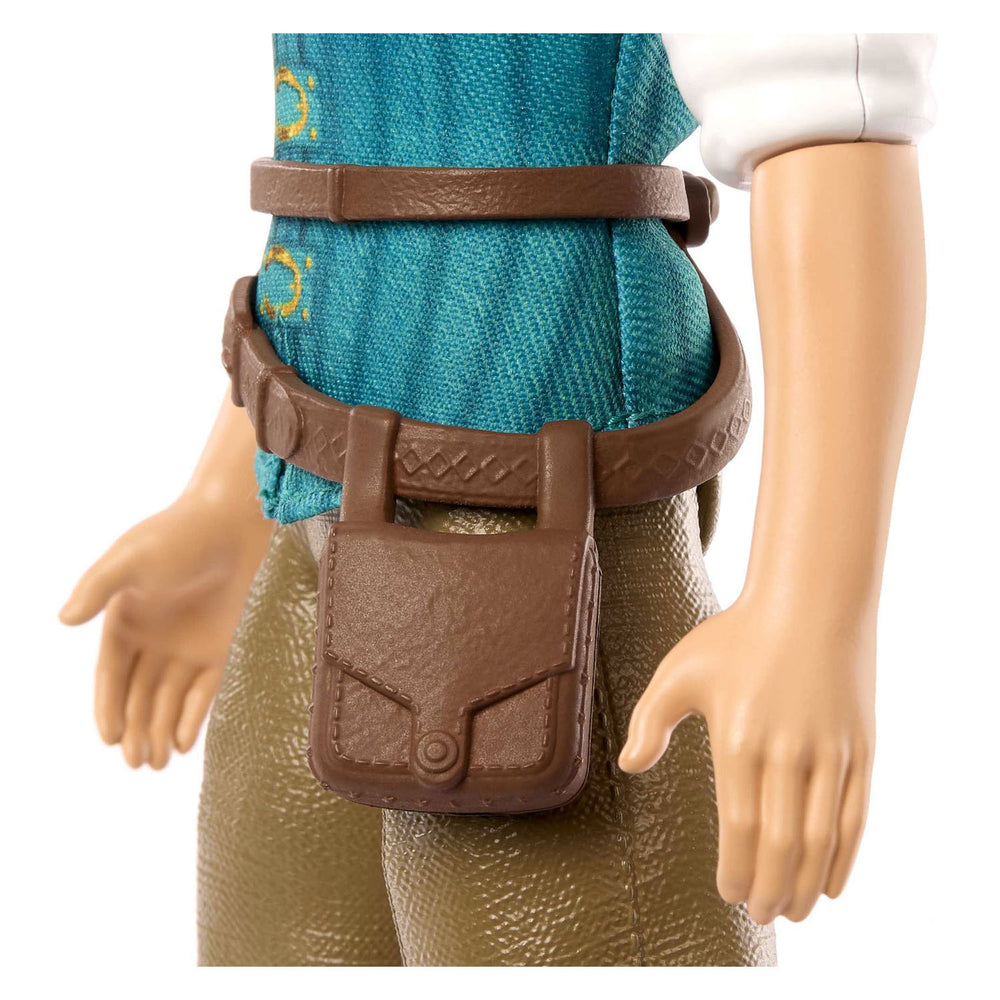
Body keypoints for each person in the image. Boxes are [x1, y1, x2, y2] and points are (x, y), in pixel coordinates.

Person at [60, 33, 935, 965]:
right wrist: (231, 493)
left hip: (542, 550)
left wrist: (813, 612)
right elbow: (364, 183)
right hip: (319, 525)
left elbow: (827, 119)